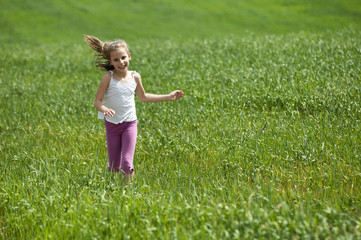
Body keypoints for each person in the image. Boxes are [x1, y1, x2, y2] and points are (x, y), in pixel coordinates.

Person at [84, 35, 184, 183]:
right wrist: (104, 109)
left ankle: (128, 192)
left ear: (129, 56)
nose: (121, 62)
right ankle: (111, 190)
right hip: (112, 125)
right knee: (113, 166)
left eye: (123, 57)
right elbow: (97, 102)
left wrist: (168, 96)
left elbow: (143, 97)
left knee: (126, 162)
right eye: (116, 59)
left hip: (129, 124)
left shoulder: (135, 77)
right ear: (111, 62)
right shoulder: (108, 77)